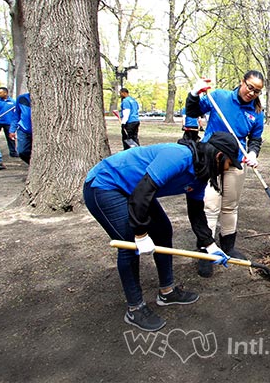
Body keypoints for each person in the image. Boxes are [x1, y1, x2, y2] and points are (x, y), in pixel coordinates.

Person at [83, 131, 242, 332]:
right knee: (129, 243)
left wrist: (210, 245)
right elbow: (142, 193)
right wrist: (140, 235)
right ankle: (135, 308)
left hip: (136, 191)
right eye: (229, 164)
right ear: (219, 157)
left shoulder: (200, 174)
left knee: (163, 230)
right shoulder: (179, 156)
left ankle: (167, 291)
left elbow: (196, 213)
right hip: (106, 185)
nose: (227, 170)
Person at [185, 70, 265, 278]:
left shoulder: (256, 113)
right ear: (242, 82)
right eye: (250, 87)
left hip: (235, 161)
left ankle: (228, 246)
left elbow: (255, 139)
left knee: (230, 205)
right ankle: (205, 250)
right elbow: (192, 111)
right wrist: (194, 93)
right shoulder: (218, 96)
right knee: (210, 206)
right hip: (210, 159)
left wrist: (253, 153)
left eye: (257, 91)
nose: (252, 93)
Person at [0, 87, 18, 158]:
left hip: (8, 123)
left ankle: (13, 152)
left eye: (0, 93)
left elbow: (15, 113)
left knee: (11, 139)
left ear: (5, 93)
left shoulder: (13, 102)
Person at [10, 93, 32, 164]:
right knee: (22, 151)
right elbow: (16, 115)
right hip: (24, 129)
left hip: (38, 131)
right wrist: (12, 130)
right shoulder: (22, 98)